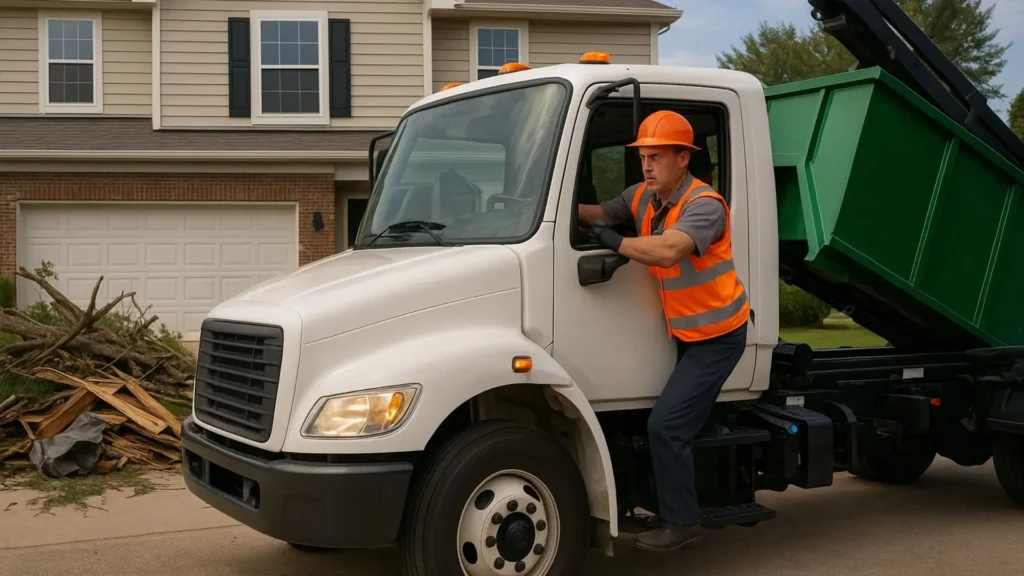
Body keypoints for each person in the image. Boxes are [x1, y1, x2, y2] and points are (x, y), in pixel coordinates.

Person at [577, 110, 750, 552]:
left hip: (717, 336)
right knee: (668, 423)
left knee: (668, 427)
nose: (647, 165)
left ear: (682, 159)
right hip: (685, 335)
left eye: (656, 157)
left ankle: (681, 521)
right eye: (643, 157)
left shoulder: (704, 204)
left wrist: (614, 241)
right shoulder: (641, 197)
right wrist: (544, 201)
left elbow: (670, 250)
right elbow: (598, 212)